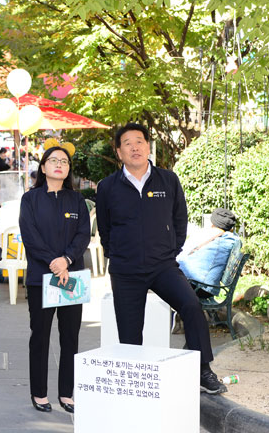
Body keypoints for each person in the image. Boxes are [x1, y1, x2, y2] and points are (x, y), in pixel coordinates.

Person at [95, 123, 228, 394]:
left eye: (140, 141)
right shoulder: (108, 187)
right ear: (119, 152)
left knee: (191, 306)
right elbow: (105, 230)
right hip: (126, 269)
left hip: (162, 266)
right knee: (130, 332)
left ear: (148, 146)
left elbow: (180, 219)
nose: (135, 147)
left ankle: (202, 370)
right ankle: (133, 384)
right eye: (128, 143)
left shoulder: (168, 180)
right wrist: (118, 254)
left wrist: (170, 249)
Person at [19, 145, 90, 414]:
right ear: (44, 167)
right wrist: (54, 261)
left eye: (64, 161)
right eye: (53, 160)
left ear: (69, 169)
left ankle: (66, 393)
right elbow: (30, 236)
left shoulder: (77, 200)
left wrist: (67, 260)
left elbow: (83, 234)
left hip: (72, 276)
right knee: (40, 335)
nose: (59, 164)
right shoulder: (31, 199)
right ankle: (39, 392)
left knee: (70, 336)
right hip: (41, 277)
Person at [178, 208, 241, 298]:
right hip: (203, 287)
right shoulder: (229, 238)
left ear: (213, 222)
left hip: (198, 288)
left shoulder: (210, 235)